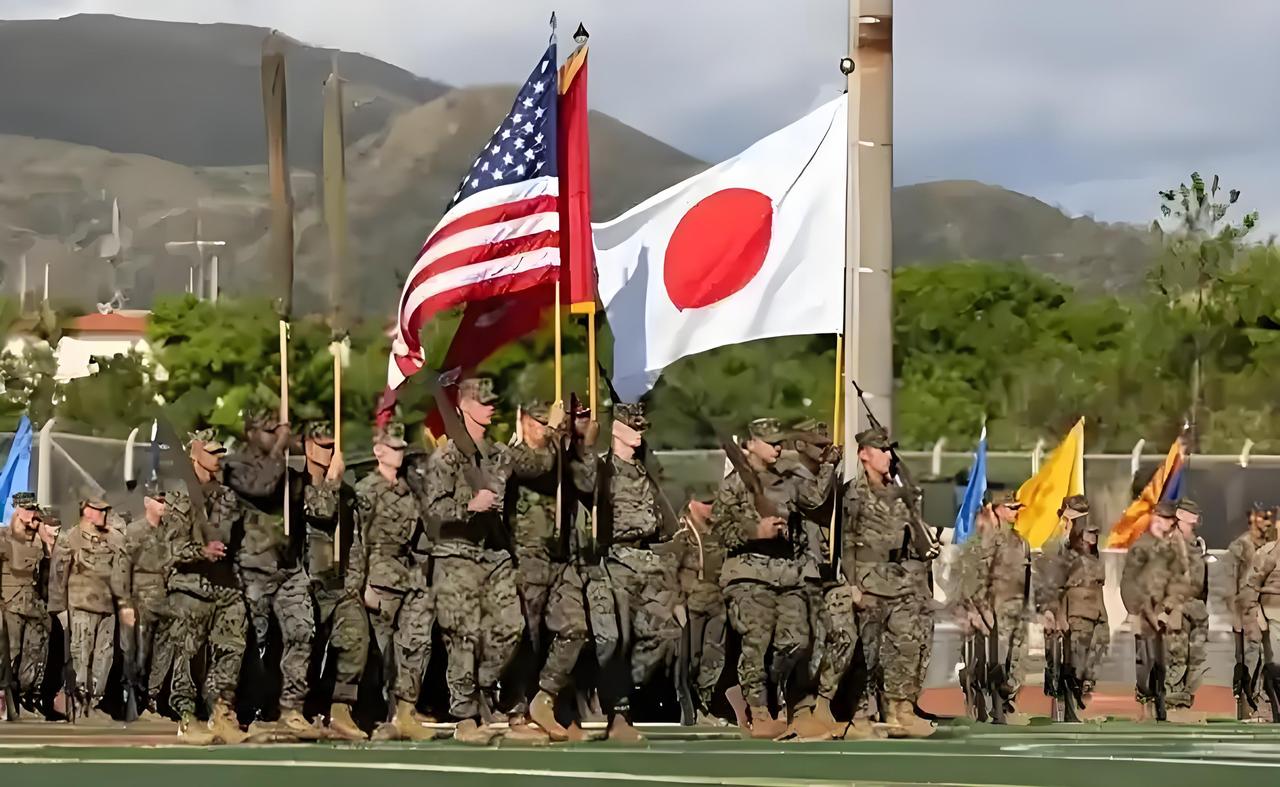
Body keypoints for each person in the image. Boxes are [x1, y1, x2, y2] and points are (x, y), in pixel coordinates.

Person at [421, 378, 541, 745]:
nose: (490, 408)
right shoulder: (444, 457)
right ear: (464, 406)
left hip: (495, 555)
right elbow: (432, 511)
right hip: (457, 555)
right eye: (483, 402)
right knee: (463, 636)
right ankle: (464, 714)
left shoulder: (498, 455)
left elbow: (537, 466)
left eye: (492, 402)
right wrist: (468, 507)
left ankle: (485, 686)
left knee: (510, 628)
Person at [711, 417, 833, 740]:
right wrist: (756, 531)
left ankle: (779, 700)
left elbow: (816, 502)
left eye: (780, 441)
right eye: (770, 441)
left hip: (786, 575)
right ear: (750, 444)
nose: (777, 447)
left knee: (797, 640)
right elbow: (719, 531)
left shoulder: (787, 481)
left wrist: (829, 465)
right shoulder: (734, 485)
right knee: (756, 642)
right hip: (749, 577)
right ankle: (759, 713)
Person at [579, 401, 682, 742]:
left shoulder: (643, 471)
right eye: (632, 427)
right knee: (616, 640)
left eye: (641, 427)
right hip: (615, 560)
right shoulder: (602, 469)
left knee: (664, 633)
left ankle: (612, 685)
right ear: (616, 430)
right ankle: (618, 710)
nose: (639, 433)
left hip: (646, 560)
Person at [504, 399, 593, 742]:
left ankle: (546, 697)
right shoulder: (514, 454)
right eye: (540, 422)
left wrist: (582, 443)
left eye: (550, 422)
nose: (546, 428)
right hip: (527, 556)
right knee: (526, 636)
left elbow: (587, 484)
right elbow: (535, 468)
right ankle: (516, 711)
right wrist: (554, 433)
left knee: (575, 627)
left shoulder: (561, 453)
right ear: (524, 421)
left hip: (561, 556)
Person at [843, 427, 936, 738]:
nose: (888, 456)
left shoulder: (902, 494)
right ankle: (858, 714)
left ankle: (902, 710)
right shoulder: (852, 493)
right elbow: (842, 543)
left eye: (889, 450)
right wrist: (851, 585)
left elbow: (915, 540)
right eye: (881, 450)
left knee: (905, 647)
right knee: (865, 653)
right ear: (864, 454)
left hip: (900, 580)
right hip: (868, 580)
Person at [353, 420, 442, 742]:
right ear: (378, 451)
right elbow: (357, 540)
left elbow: (423, 536)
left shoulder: (410, 488)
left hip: (410, 577)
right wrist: (360, 585)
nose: (400, 453)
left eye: (402, 447)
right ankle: (375, 715)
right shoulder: (366, 490)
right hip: (378, 577)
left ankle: (405, 712)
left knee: (416, 644)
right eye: (393, 447)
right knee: (380, 653)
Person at [165, 429, 249, 743]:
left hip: (225, 588)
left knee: (232, 649)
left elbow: (237, 542)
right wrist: (201, 552)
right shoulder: (178, 494)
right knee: (188, 655)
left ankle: (222, 712)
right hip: (189, 587)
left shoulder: (228, 496)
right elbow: (170, 548)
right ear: (195, 452)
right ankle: (187, 717)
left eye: (220, 452)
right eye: (212, 452)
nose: (218, 458)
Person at [292, 420, 367, 741]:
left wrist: (357, 581)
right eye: (325, 446)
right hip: (305, 579)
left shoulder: (345, 492)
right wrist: (332, 480)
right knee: (304, 649)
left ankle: (340, 706)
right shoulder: (296, 485)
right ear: (308, 447)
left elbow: (356, 538)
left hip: (339, 581)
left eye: (335, 446)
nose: (332, 453)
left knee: (355, 635)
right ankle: (294, 709)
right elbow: (317, 512)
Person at [222, 408, 292, 724]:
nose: (276, 436)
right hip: (252, 565)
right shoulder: (235, 464)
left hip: (282, 566)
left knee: (288, 639)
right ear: (250, 433)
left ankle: (277, 706)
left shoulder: (283, 464)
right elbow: (260, 488)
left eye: (277, 430)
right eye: (269, 431)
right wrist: (280, 448)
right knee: (254, 642)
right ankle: (247, 708)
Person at [47, 497, 131, 721]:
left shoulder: (114, 538)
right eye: (100, 510)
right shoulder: (70, 538)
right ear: (87, 510)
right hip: (81, 606)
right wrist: (59, 609)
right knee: (81, 657)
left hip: (107, 608)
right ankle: (77, 705)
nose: (105, 514)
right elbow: (58, 575)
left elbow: (122, 573)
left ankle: (93, 703)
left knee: (104, 659)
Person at [959, 490, 1030, 719]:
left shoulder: (1021, 542)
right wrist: (977, 611)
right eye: (1011, 507)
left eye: (1018, 508)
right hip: (989, 611)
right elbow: (970, 578)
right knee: (987, 663)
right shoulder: (980, 541)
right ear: (996, 509)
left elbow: (1026, 578)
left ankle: (1006, 701)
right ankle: (981, 700)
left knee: (1016, 661)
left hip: (1016, 610)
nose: (1016, 512)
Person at [1120, 499, 1179, 720]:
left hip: (1165, 613)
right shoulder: (1141, 546)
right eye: (1166, 519)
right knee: (1145, 660)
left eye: (1172, 520)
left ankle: (1161, 701)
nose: (1170, 524)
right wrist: (1135, 610)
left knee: (1164, 660)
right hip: (1144, 613)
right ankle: (1146, 695)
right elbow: (1128, 581)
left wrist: (1168, 608)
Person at [119, 481, 174, 720]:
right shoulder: (135, 531)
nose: (163, 504)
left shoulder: (170, 531)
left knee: (164, 651)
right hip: (140, 598)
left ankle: (152, 697)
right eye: (158, 500)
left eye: (164, 500)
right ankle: (135, 696)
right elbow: (123, 568)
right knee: (139, 654)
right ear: (146, 502)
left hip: (165, 598)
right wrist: (126, 602)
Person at [672, 497, 729, 725]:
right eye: (705, 501)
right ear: (692, 501)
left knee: (713, 659)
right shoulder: (680, 533)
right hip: (689, 606)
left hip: (716, 604)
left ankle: (704, 708)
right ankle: (690, 710)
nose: (711, 506)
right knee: (690, 660)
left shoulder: (720, 532)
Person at [1, 493, 51, 716]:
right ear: (18, 512)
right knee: (11, 654)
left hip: (33, 605)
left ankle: (24, 697)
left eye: (34, 511)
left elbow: (47, 576)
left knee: (33, 654)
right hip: (10, 604)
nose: (34, 515)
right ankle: (8, 701)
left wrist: (46, 541)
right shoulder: (3, 537)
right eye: (29, 511)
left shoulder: (39, 540)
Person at [1228, 505, 1275, 719]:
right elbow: (1233, 584)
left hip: (1263, 611)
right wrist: (1237, 616)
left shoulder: (1270, 547)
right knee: (1248, 660)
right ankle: (1249, 706)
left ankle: (1262, 706)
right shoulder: (1241, 546)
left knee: (1265, 658)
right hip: (1247, 611)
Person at [1164, 499, 1208, 722]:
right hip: (1177, 609)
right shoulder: (1169, 544)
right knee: (1177, 658)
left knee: (1196, 659)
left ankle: (1186, 702)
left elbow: (1203, 582)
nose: (1194, 523)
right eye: (1190, 518)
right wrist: (1169, 609)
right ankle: (1173, 705)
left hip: (1197, 610)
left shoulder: (1197, 544)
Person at [1243, 515, 1280, 723]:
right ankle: (1265, 709)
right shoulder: (1267, 553)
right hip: (1273, 616)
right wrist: (1256, 612)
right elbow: (1252, 585)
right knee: (1272, 665)